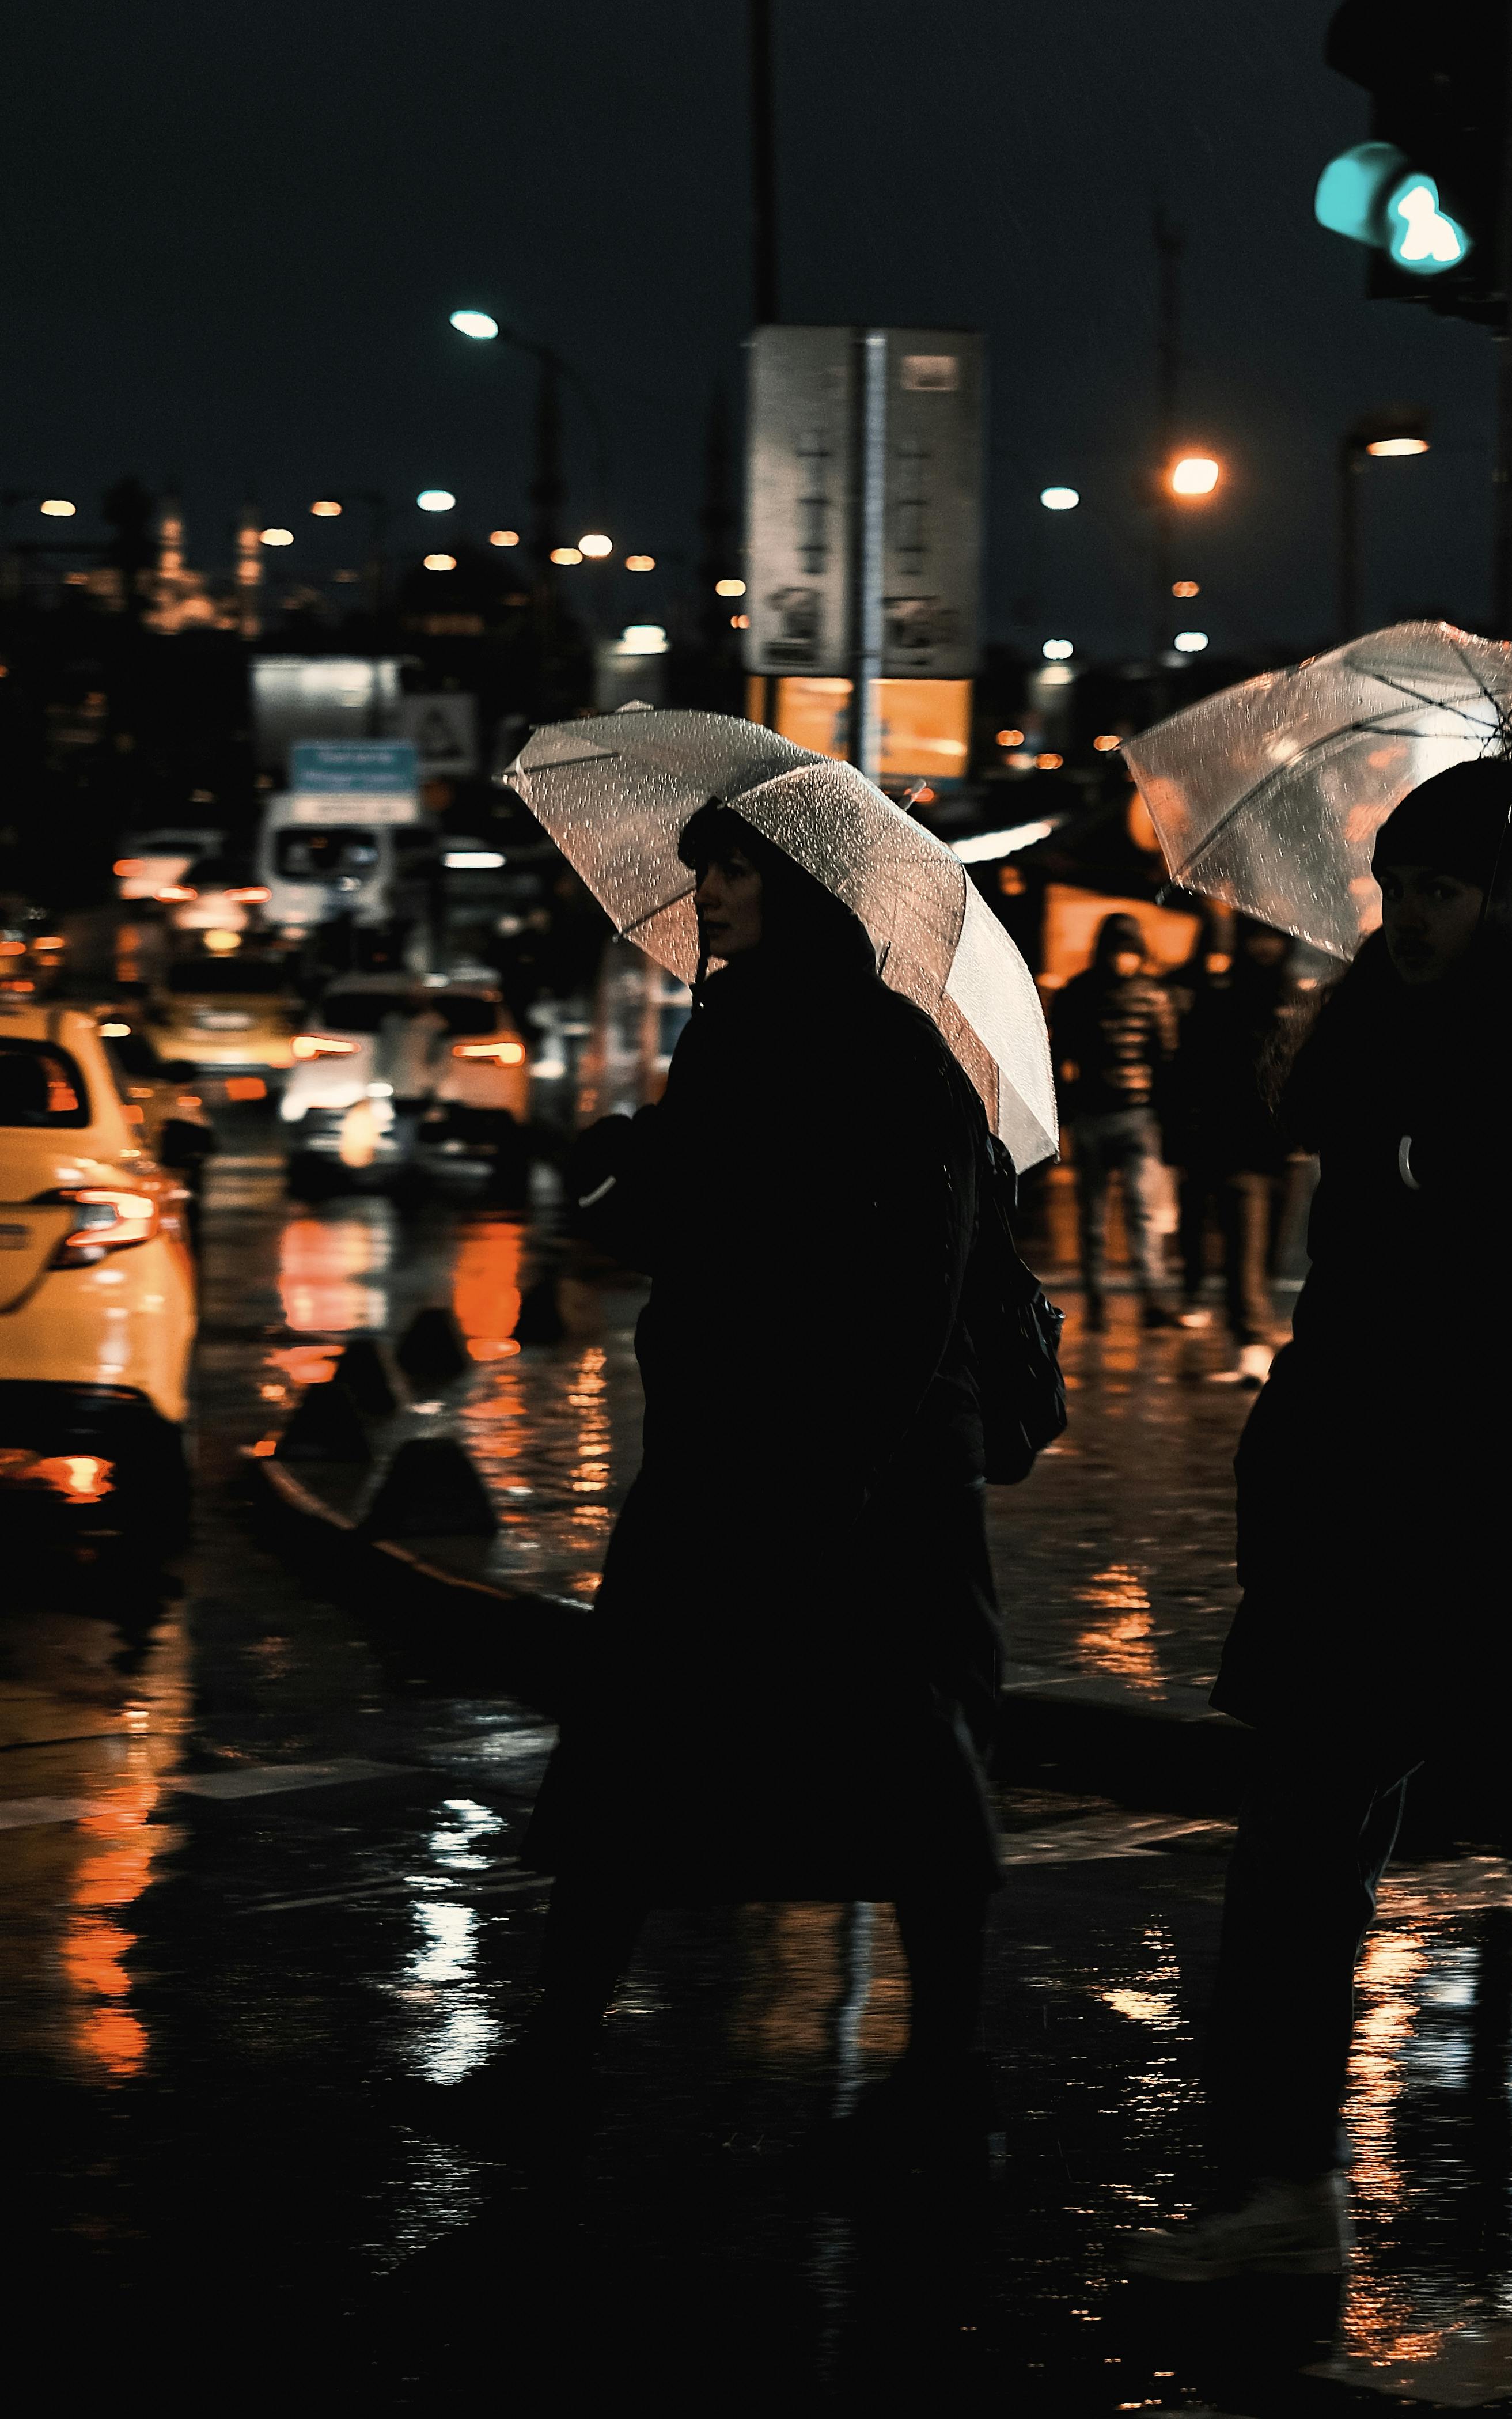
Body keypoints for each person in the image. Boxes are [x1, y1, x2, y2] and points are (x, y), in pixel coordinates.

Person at [1128, 758, 1512, 2286]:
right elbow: (1310, 1195)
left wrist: (1491, 1199)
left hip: (1499, 1538)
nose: (1408, 916)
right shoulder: (1368, 1034)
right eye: (1395, 885)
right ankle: (1280, 2188)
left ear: (1502, 899)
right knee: (1291, 1860)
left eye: (1442, 888)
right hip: (1354, 1523)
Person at [457, 802, 1005, 2162]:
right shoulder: (735, 1029)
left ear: (806, 886)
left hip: (856, 1477)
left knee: (912, 1774)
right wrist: (616, 1171)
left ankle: (948, 2080)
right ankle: (561, 2041)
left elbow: (924, 1279)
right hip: (724, 1456)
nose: (708, 888)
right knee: (636, 1742)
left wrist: (854, 1468)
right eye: (707, 863)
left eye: (739, 865)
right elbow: (692, 1221)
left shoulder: (889, 1049)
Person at [1161, 915, 1302, 1381]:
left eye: (1272, 937)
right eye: (1256, 937)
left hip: (1285, 1147)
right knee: (1244, 1245)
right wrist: (1183, 1139)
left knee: (1269, 1253)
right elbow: (1189, 1071)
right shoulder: (1220, 1000)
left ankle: (1253, 1330)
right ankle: (1251, 1339)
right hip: (1234, 1145)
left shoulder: (1296, 1000)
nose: (1264, 948)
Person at [1050, 910, 1176, 1331]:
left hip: (1115, 1115)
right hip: (1123, 1115)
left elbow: (1060, 1054)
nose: (1124, 959)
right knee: (1108, 1214)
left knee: (1107, 1213)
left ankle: (1117, 1297)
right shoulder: (1152, 994)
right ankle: (1132, 1297)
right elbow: (1166, 1057)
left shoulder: (1077, 992)